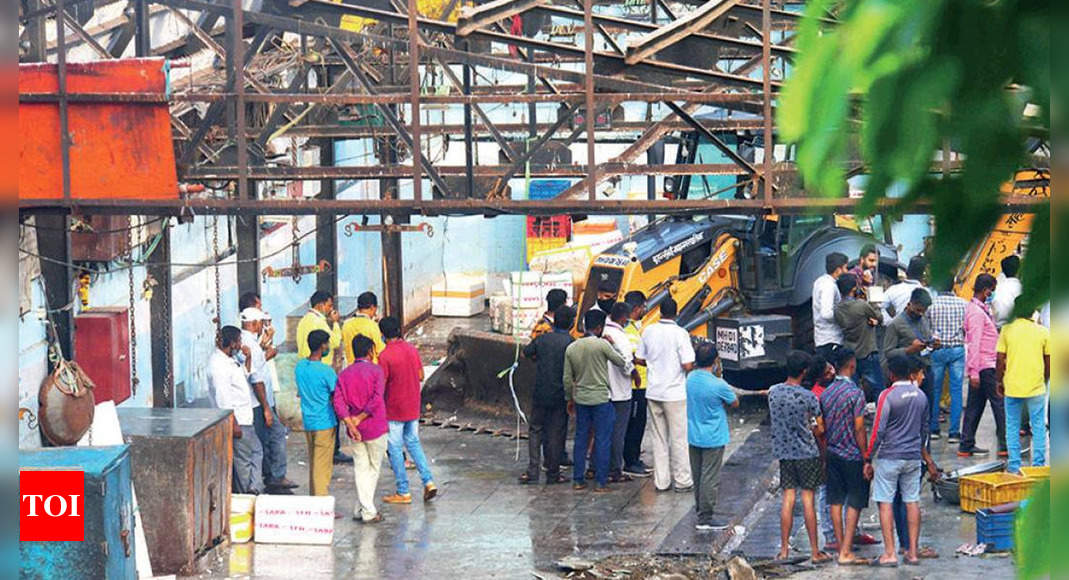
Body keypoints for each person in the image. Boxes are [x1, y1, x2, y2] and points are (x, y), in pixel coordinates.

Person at [865, 355, 941, 567]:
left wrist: (868, 457)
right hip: (913, 457)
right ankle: (912, 553)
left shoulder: (887, 396)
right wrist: (924, 455)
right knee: (912, 501)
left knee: (885, 502)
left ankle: (889, 553)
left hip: (890, 457)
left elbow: (878, 430)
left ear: (890, 374)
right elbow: (924, 430)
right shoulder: (920, 396)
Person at [768, 350, 830, 564]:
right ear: (804, 372)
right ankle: (815, 551)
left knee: (788, 498)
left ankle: (784, 550)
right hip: (807, 453)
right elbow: (819, 428)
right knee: (808, 500)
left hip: (785, 454)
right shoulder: (809, 397)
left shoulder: (774, 393)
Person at [636, 298, 696, 492]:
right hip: (675, 393)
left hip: (653, 391)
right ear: (676, 313)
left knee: (659, 438)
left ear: (660, 312)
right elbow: (687, 364)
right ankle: (683, 480)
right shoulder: (680, 334)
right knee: (678, 438)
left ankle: (661, 482)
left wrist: (654, 365)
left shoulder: (649, 331)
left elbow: (639, 358)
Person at [564, 309, 629, 492]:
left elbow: (567, 379)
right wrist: (613, 344)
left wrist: (570, 398)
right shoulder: (602, 346)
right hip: (601, 399)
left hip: (581, 399)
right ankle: (601, 482)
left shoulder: (572, 347)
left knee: (581, 439)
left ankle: (578, 479)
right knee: (602, 439)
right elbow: (621, 362)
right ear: (600, 327)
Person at [819, 348, 874, 564]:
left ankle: (841, 545)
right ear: (851, 364)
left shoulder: (826, 393)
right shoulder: (856, 394)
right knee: (854, 501)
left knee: (835, 500)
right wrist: (866, 456)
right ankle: (846, 551)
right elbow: (859, 427)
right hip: (852, 453)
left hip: (832, 452)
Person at [377, 316, 438, 504]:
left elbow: (381, 384)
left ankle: (403, 490)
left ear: (383, 334)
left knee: (395, 447)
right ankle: (428, 481)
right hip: (413, 405)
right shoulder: (411, 349)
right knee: (413, 442)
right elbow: (420, 375)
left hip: (394, 408)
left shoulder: (385, 356)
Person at [334, 335, 389, 523]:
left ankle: (361, 507)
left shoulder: (344, 374)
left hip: (354, 430)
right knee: (373, 468)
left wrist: (351, 423)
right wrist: (360, 418)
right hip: (375, 426)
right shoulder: (376, 371)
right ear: (370, 351)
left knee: (361, 468)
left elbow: (339, 403)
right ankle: (368, 511)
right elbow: (377, 399)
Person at [241, 307, 295, 493]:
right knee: (271, 436)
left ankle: (271, 475)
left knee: (267, 438)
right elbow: (256, 379)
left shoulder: (247, 342)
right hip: (257, 402)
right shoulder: (250, 346)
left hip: (258, 401)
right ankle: (273, 477)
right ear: (255, 323)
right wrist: (265, 408)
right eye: (261, 323)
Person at [520, 306, 576, 485]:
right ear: (571, 323)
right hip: (560, 394)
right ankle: (553, 473)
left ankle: (532, 470)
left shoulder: (542, 339)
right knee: (556, 433)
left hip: (540, 392)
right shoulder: (572, 343)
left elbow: (525, 353)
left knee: (535, 429)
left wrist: (538, 359)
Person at [686, 343, 737, 531]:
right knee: (710, 476)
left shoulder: (690, 378)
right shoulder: (718, 384)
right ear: (715, 361)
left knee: (698, 473)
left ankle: (700, 508)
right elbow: (734, 402)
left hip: (694, 433)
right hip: (713, 435)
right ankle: (706, 516)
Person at [210, 325, 263, 495]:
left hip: (245, 417)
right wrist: (233, 423)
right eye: (238, 341)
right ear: (231, 343)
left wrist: (247, 358)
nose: (241, 344)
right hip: (238, 419)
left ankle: (253, 487)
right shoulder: (219, 365)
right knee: (244, 460)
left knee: (255, 452)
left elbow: (242, 377)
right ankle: (248, 492)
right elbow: (223, 398)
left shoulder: (230, 360)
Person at [997, 309, 1050, 474]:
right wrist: (1044, 379)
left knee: (1012, 426)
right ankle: (1038, 465)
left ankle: (1014, 465)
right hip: (1036, 387)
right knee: (1038, 427)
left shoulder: (1007, 329)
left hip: (1012, 387)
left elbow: (999, 359)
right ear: (1033, 312)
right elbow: (1048, 360)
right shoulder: (1042, 331)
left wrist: (1000, 381)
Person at [882, 288, 939, 437]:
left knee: (927, 414)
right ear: (910, 304)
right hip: (908, 376)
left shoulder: (924, 320)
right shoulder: (896, 324)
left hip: (926, 370)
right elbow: (888, 353)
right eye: (919, 310)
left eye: (924, 310)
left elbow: (926, 340)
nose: (921, 313)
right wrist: (909, 350)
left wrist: (933, 344)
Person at [960, 274, 1006, 457]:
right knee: (999, 404)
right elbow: (974, 343)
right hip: (985, 366)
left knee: (975, 406)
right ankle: (1005, 445)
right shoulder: (976, 312)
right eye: (991, 290)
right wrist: (974, 372)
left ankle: (966, 444)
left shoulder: (980, 309)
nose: (992, 293)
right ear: (986, 289)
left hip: (983, 365)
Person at [294, 330, 338, 496]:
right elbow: (336, 395)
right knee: (322, 466)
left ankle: (315, 499)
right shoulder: (326, 371)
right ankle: (321, 504)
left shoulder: (300, 367)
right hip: (324, 421)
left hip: (308, 420)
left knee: (314, 463)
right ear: (322, 347)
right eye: (327, 344)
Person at [926, 280, 968, 442]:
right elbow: (966, 327)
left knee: (935, 390)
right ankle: (954, 432)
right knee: (956, 391)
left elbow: (927, 327)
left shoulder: (931, 305)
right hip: (957, 349)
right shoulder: (963, 304)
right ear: (953, 285)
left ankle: (934, 429)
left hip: (937, 349)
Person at [603, 302, 640, 483]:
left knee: (604, 431)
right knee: (618, 433)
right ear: (624, 317)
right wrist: (635, 373)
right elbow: (625, 362)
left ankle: (599, 467)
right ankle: (615, 470)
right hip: (620, 392)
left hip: (604, 390)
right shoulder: (620, 337)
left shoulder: (602, 331)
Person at [834, 274, 885, 401]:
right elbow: (879, 317)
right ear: (854, 288)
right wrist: (873, 303)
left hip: (850, 353)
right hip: (867, 352)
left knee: (854, 389)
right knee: (878, 387)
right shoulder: (861, 305)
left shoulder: (837, 309)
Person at [622, 291, 651, 477]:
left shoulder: (633, 328)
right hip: (635, 386)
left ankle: (634, 457)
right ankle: (630, 461)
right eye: (643, 307)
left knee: (639, 423)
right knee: (635, 424)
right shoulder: (627, 331)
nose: (644, 310)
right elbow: (631, 357)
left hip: (640, 385)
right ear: (636, 308)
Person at [813, 252, 849, 360]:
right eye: (845, 268)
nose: (847, 271)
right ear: (838, 269)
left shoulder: (820, 281)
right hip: (831, 339)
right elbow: (827, 313)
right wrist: (844, 320)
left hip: (822, 338)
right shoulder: (829, 286)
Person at [297, 290, 343, 365]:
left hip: (304, 364)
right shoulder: (319, 322)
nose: (331, 309)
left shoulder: (303, 320)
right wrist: (335, 323)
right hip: (319, 365)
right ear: (320, 305)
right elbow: (335, 342)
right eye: (329, 306)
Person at [342, 291, 386, 365]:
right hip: (370, 368)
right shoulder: (372, 325)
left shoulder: (346, 324)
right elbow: (380, 350)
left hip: (351, 367)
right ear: (372, 307)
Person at [883, 256, 928, 320]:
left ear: (907, 272)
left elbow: (880, 307)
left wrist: (890, 322)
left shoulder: (894, 289)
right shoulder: (928, 293)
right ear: (923, 275)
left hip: (898, 328)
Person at [992, 255, 1022, 328]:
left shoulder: (996, 288)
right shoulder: (1021, 289)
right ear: (1019, 270)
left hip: (998, 328)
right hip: (1017, 328)